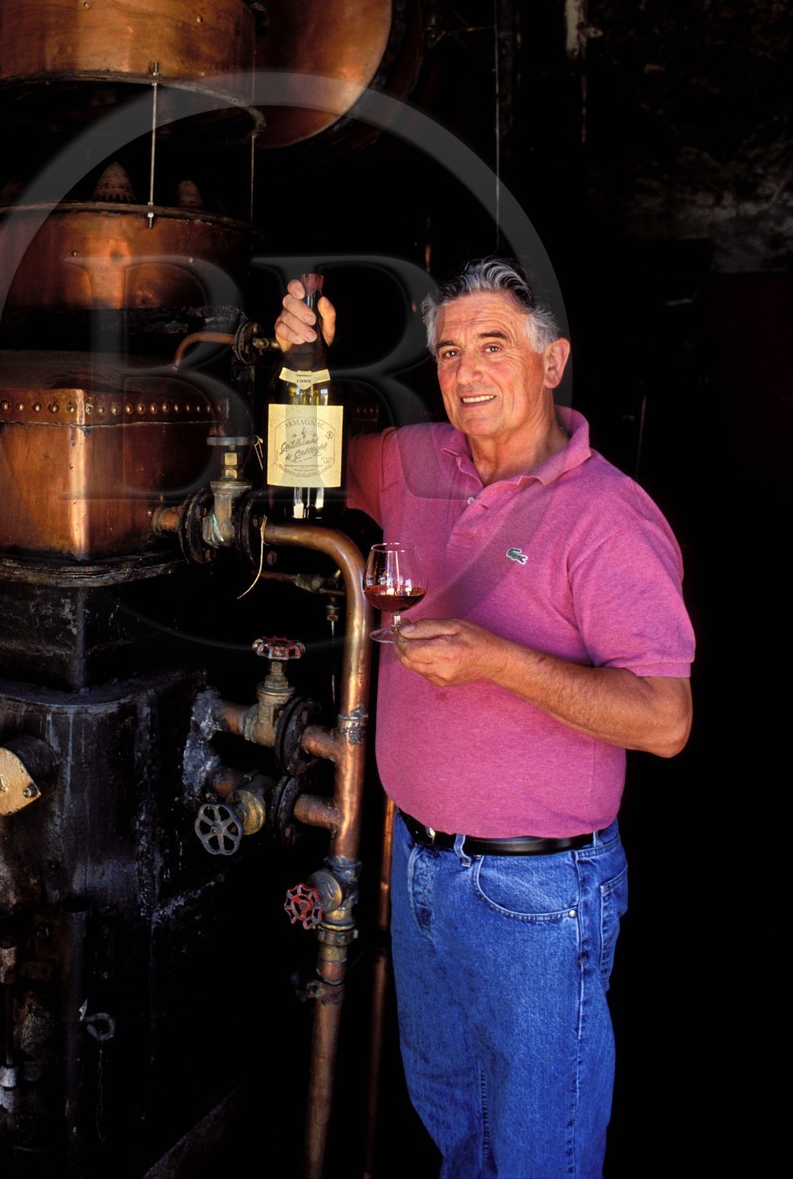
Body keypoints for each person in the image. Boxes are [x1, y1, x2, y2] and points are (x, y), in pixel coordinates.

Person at [275, 257, 693, 1179]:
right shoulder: (417, 459)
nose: (467, 372)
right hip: (418, 868)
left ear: (552, 363)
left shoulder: (607, 519)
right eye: (451, 351)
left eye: (494, 346)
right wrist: (304, 368)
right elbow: (300, 473)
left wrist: (496, 659)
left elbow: (665, 721)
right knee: (452, 1128)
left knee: (541, 1154)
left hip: (538, 896)